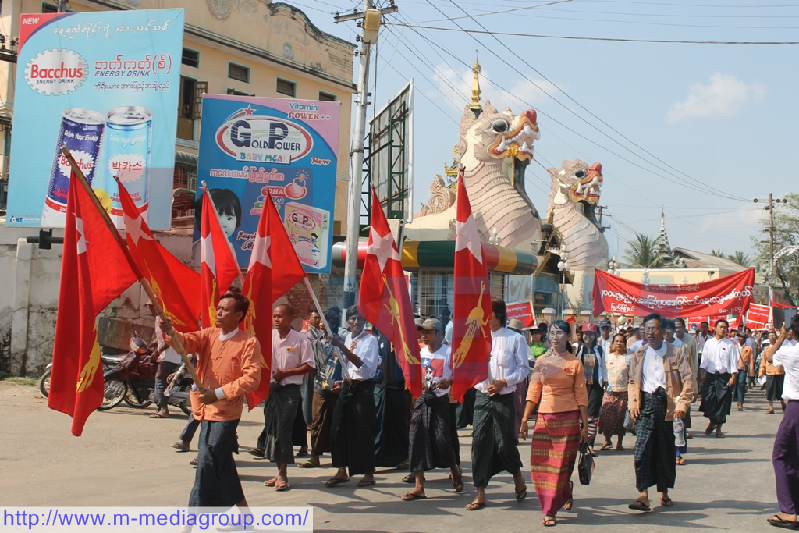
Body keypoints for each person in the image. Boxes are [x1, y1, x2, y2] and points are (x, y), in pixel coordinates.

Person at [164, 289, 261, 508]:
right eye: (218, 309)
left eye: (225, 310)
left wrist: (217, 393)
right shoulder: (208, 335)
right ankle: (245, 514)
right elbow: (186, 343)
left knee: (206, 464)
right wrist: (170, 331)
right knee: (222, 463)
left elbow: (251, 380)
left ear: (238, 315)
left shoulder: (249, 343)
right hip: (203, 411)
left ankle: (190, 520)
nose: (218, 313)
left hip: (226, 414)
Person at [521, 319, 589, 527]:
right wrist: (525, 419)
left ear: (568, 337)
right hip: (544, 419)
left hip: (568, 419)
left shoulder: (574, 363)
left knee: (560, 467)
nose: (555, 336)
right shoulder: (541, 361)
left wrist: (585, 425)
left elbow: (581, 395)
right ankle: (561, 494)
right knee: (542, 466)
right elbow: (533, 391)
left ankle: (550, 510)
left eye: (560, 333)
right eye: (552, 333)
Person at [467, 298, 529, 511]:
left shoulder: (514, 339)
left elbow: (523, 369)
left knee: (504, 443)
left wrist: (505, 381)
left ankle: (517, 475)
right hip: (482, 397)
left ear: (497, 314)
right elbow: (470, 365)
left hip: (504, 398)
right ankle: (480, 492)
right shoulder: (477, 337)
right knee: (479, 442)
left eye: (487, 312)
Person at [627, 313, 693, 512]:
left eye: (654, 329)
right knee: (642, 449)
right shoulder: (640, 353)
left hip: (667, 406)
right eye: (646, 329)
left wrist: (682, 406)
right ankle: (643, 495)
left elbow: (688, 381)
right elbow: (632, 381)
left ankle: (664, 493)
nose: (650, 333)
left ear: (663, 331)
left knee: (664, 450)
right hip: (646, 405)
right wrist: (633, 403)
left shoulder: (676, 352)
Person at [402, 318, 463, 500]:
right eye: (422, 332)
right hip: (422, 400)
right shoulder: (420, 353)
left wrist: (450, 380)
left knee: (442, 440)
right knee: (416, 440)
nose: (424, 336)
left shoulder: (449, 352)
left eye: (428, 332)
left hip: (440, 401)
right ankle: (419, 486)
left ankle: (454, 468)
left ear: (439, 334)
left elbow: (462, 373)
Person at [256, 304, 314, 492]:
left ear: (290, 317)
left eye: (280, 316)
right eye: (274, 316)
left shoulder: (300, 340)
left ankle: (283, 474)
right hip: (273, 390)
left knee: (283, 430)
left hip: (290, 391)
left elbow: (309, 366)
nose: (276, 320)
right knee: (272, 429)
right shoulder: (269, 338)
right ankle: (277, 469)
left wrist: (287, 373)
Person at [325, 306, 380, 488]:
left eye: (359, 319)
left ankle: (368, 472)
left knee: (363, 430)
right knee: (338, 427)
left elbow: (361, 363)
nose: (356, 323)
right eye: (352, 319)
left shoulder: (370, 340)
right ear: (347, 321)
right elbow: (346, 364)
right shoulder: (348, 338)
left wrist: (341, 346)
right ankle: (341, 470)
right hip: (348, 386)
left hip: (363, 388)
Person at [301, 309, 344, 469]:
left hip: (337, 388)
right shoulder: (316, 343)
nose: (320, 324)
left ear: (332, 325)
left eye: (324, 322)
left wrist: (341, 384)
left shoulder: (342, 342)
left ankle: (339, 460)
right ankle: (315, 456)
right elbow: (311, 364)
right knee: (317, 421)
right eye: (320, 321)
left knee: (336, 423)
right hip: (320, 386)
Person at [767, 318, 799, 528]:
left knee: (781, 455)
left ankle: (788, 510)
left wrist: (780, 337)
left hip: (795, 407)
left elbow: (769, 356)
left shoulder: (791, 351)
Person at [374, 331, 410, 469]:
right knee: (381, 425)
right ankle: (379, 457)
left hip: (397, 387)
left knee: (399, 424)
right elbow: (378, 360)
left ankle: (403, 457)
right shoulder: (380, 338)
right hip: (381, 386)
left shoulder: (400, 336)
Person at [699, 319, 739, 438]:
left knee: (722, 403)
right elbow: (704, 360)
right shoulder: (709, 343)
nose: (723, 329)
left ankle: (718, 428)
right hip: (710, 376)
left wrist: (733, 376)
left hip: (723, 377)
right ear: (715, 328)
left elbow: (733, 363)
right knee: (708, 401)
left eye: (725, 327)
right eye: (720, 327)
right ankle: (712, 421)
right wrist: (702, 372)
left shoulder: (730, 344)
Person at [146, 300, 183, 419]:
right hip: (166, 356)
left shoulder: (164, 319)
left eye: (152, 307)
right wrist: (151, 345)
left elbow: (169, 339)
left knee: (161, 382)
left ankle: (163, 409)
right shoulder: (157, 320)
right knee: (162, 381)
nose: (150, 310)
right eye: (149, 307)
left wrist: (158, 351)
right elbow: (160, 338)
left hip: (168, 357)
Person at [577, 323, 607, 455]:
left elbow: (604, 366)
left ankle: (590, 444)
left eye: (591, 334)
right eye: (586, 334)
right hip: (581, 386)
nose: (588, 336)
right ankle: (580, 442)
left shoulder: (599, 350)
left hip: (596, 385)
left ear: (595, 335)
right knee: (580, 414)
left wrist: (605, 380)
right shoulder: (578, 349)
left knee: (592, 415)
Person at [599, 333, 630, 451]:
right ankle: (607, 440)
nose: (619, 344)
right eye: (616, 341)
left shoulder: (628, 358)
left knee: (620, 417)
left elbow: (631, 375)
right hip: (609, 391)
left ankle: (619, 442)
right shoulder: (608, 357)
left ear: (625, 344)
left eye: (621, 341)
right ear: (613, 343)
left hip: (623, 391)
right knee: (606, 415)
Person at [674, 318, 698, 439]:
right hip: (673, 378)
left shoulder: (690, 340)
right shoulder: (668, 340)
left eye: (679, 327)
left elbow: (694, 360)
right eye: (675, 327)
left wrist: (695, 379)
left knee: (685, 402)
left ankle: (685, 428)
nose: (677, 330)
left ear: (684, 328)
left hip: (687, 376)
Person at [761, 330, 787, 414]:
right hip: (770, 372)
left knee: (781, 390)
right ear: (768, 338)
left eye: (773, 335)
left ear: (776, 337)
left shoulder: (781, 347)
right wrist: (761, 372)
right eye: (770, 336)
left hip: (779, 371)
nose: (772, 337)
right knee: (770, 390)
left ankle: (783, 405)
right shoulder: (767, 349)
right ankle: (771, 407)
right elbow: (763, 361)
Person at [735, 331, 755, 411]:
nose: (739, 338)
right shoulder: (734, 346)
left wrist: (751, 371)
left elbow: (751, 360)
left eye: (741, 337)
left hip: (743, 368)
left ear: (744, 339)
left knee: (741, 385)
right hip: (734, 368)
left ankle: (740, 402)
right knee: (734, 385)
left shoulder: (748, 348)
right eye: (738, 337)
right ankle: (736, 398)